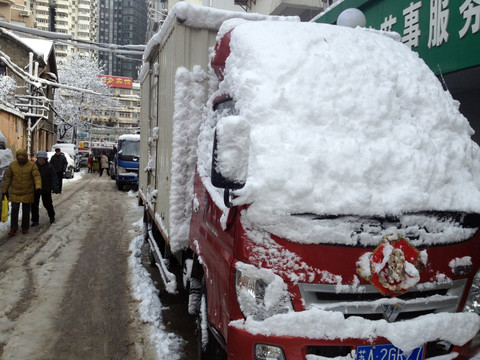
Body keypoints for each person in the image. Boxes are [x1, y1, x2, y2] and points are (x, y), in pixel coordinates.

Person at [1, 149, 42, 236]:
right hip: (15, 191)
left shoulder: (31, 165)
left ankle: (25, 227)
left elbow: (36, 176)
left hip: (27, 192)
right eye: (18, 156)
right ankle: (13, 228)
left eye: (22, 156)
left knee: (26, 211)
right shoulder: (13, 165)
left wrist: (38, 186)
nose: (20, 158)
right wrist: (4, 190)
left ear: (25, 156)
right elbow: (8, 178)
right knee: (14, 210)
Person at [32, 151, 59, 226]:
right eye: (39, 159)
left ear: (45, 159)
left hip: (46, 188)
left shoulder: (49, 167)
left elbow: (54, 176)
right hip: (36, 188)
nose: (41, 161)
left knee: (47, 203)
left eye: (42, 159)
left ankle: (51, 216)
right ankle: (35, 220)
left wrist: (55, 184)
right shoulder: (34, 166)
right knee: (34, 205)